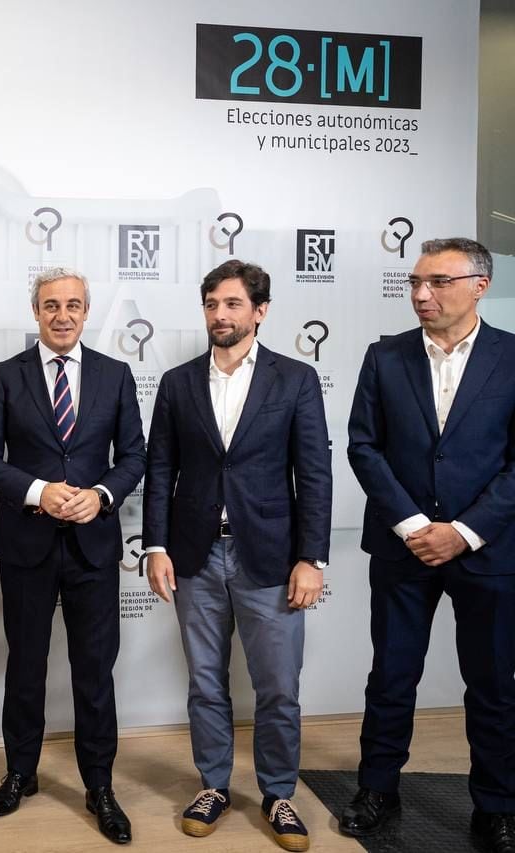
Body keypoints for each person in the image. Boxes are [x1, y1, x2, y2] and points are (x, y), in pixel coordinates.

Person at [143, 260, 331, 851]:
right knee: (205, 682)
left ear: (259, 310)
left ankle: (279, 794)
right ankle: (215, 785)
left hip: (271, 558)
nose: (219, 315)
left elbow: (315, 475)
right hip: (196, 555)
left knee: (278, 685)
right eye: (210, 304)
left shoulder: (295, 379)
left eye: (231, 304)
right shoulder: (176, 382)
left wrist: (313, 558)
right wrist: (156, 544)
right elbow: (158, 470)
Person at [344, 238, 515, 853]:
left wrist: (463, 532)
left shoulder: (513, 356)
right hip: (402, 550)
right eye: (416, 282)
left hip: (489, 552)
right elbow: (363, 445)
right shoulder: (384, 357)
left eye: (438, 282)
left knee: (494, 684)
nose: (421, 294)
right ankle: (377, 791)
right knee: (391, 676)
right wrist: (415, 526)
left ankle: (496, 806)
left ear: (478, 285)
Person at [0, 267, 145, 844]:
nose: (62, 314)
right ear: (36, 312)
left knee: (94, 674)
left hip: (93, 549)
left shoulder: (116, 375)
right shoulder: (5, 376)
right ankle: (21, 772)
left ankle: (99, 785)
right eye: (50, 305)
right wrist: (36, 491)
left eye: (72, 304)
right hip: (28, 544)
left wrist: (100, 496)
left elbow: (135, 456)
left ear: (86, 310)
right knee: (26, 667)